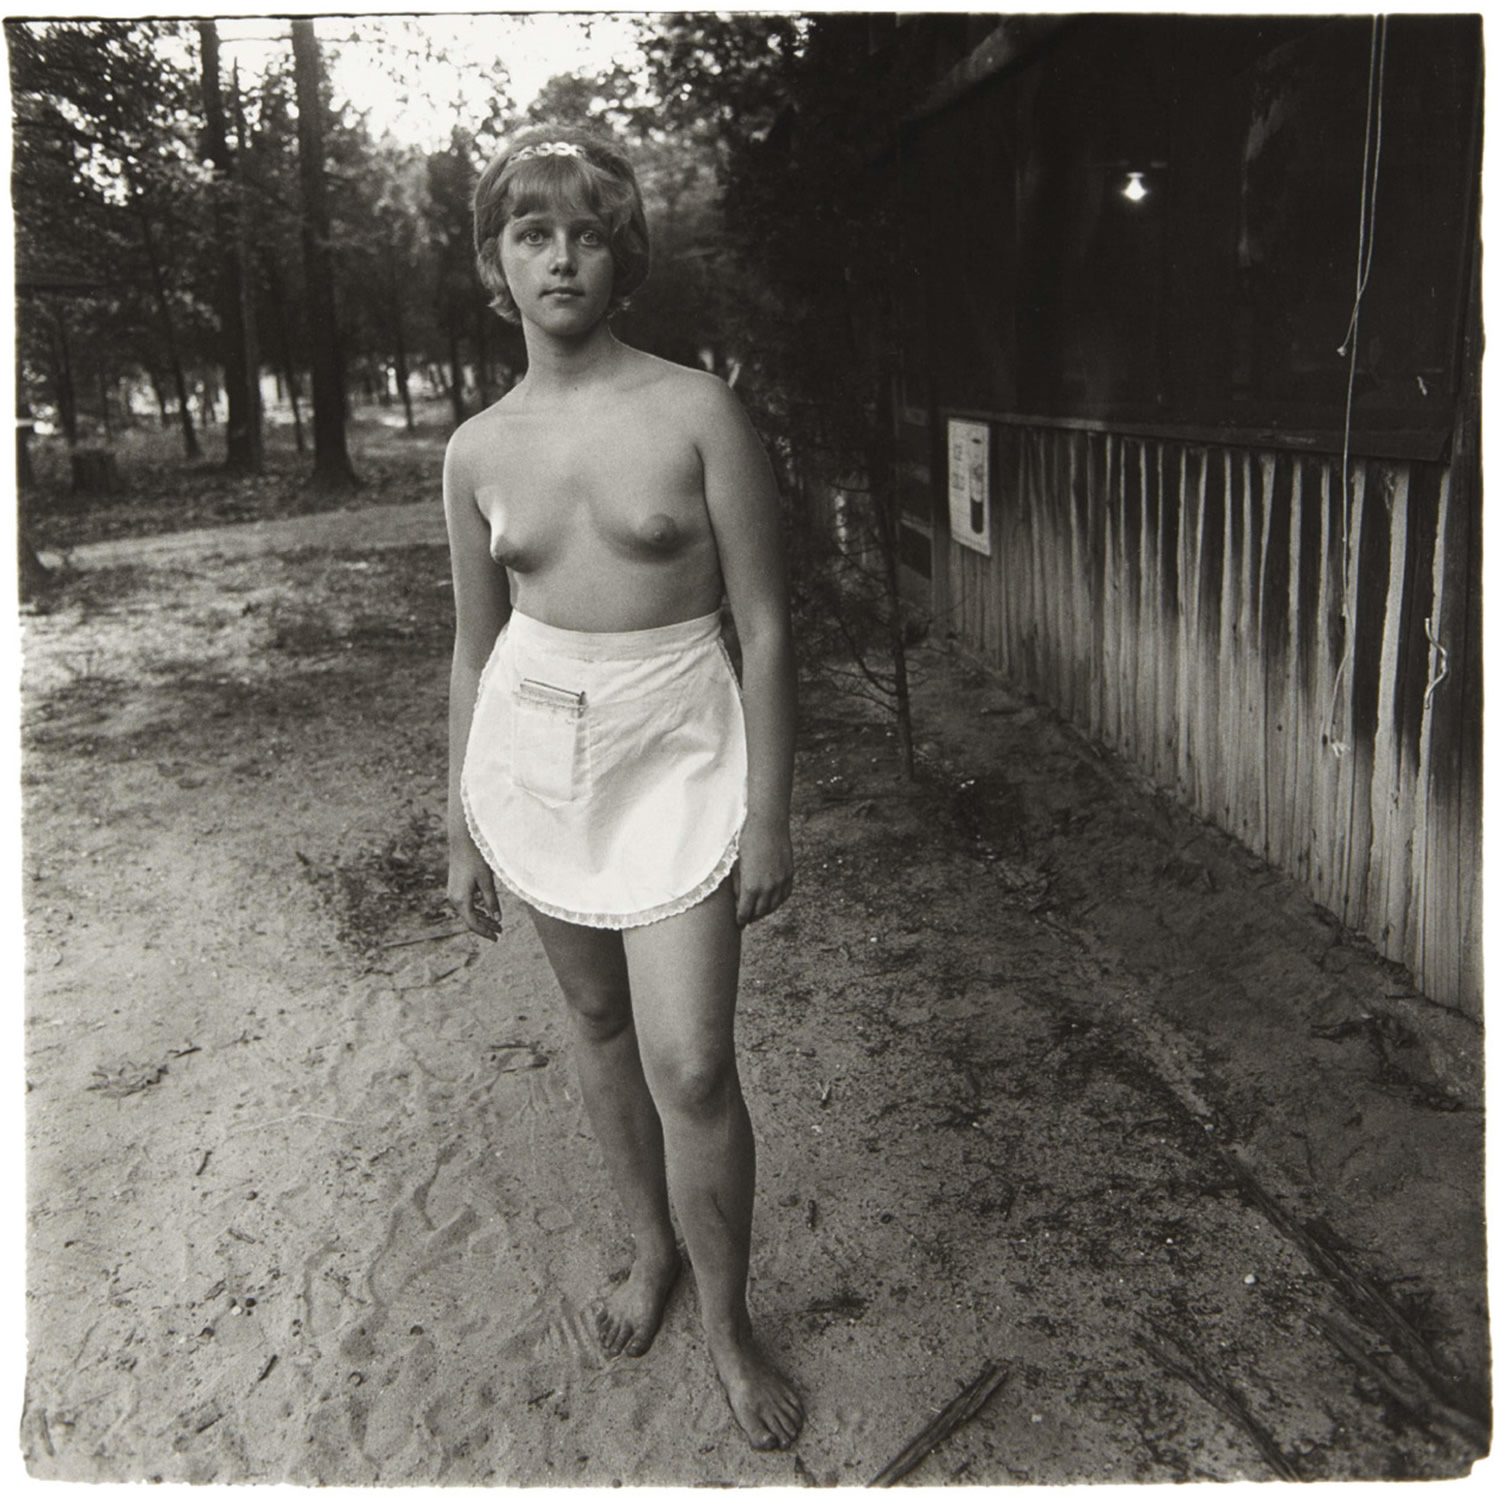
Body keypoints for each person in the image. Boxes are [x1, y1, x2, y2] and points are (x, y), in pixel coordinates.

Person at [443, 123, 804, 1453]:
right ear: (497, 264)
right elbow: (475, 644)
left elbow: (764, 626)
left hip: (679, 748)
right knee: (597, 1024)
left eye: (588, 230)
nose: (561, 256)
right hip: (537, 755)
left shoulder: (695, 410)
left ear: (624, 255)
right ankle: (647, 1246)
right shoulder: (476, 449)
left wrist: (769, 809)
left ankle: (728, 1320)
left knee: (693, 1060)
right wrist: (459, 823)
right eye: (532, 232)